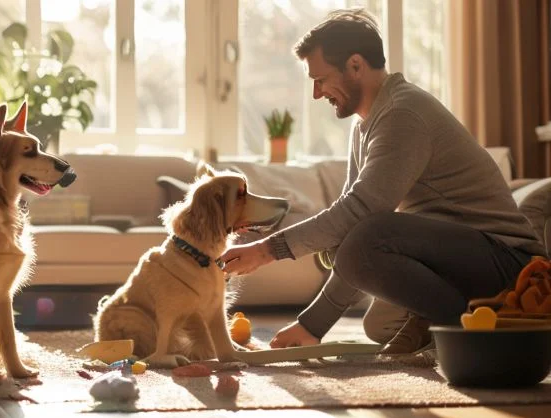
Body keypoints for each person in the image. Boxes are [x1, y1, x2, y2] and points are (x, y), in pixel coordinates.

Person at [221, 8, 547, 354]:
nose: (317, 93)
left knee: (367, 239)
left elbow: (360, 213)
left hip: (507, 264)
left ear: (355, 65)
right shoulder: (364, 124)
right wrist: (313, 325)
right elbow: (347, 225)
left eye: (321, 79)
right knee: (379, 323)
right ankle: (471, 319)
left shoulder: (402, 113)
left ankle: (471, 337)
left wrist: (266, 251)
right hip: (460, 260)